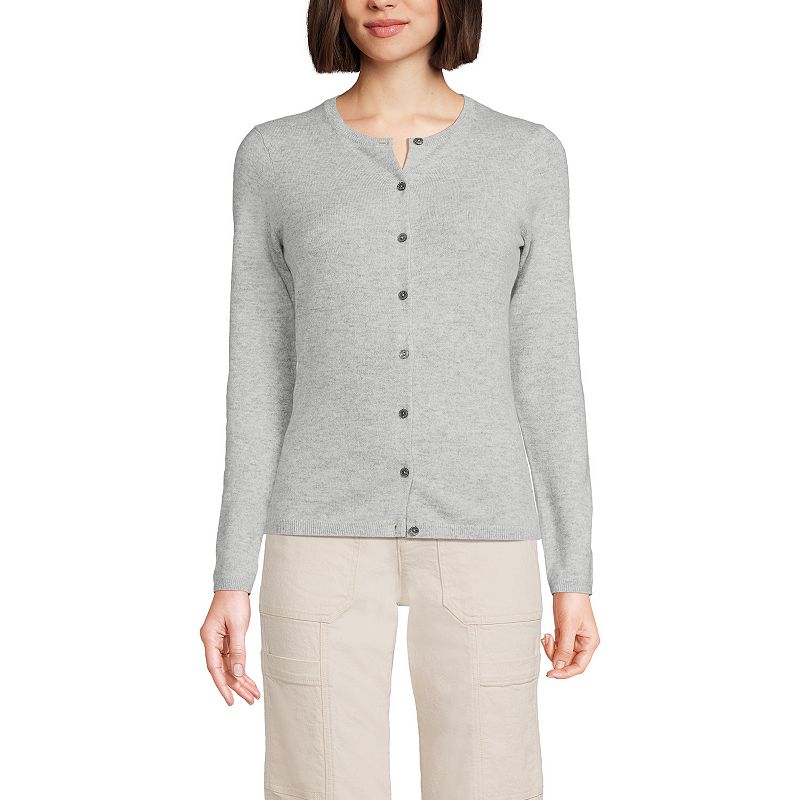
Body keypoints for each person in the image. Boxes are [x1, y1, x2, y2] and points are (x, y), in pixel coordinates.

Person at [200, 1, 600, 797]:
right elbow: (259, 375)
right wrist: (231, 574)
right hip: (316, 529)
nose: (383, 1)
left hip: (485, 528)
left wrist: (573, 572)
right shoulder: (274, 157)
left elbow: (549, 372)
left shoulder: (527, 156)